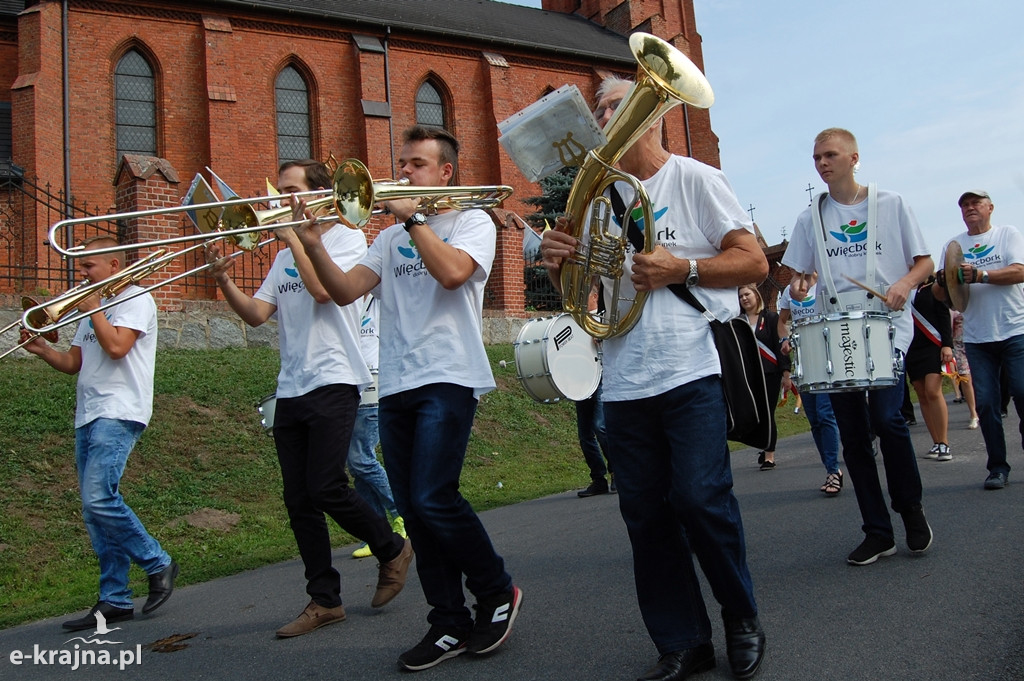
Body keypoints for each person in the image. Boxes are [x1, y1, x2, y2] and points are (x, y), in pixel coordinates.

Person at [542, 75, 767, 681]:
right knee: (644, 516)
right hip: (625, 377)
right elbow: (582, 296)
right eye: (599, 109)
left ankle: (741, 616)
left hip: (692, 367)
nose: (605, 115)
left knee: (700, 500)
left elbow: (753, 260)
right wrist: (559, 261)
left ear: (654, 113)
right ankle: (683, 641)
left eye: (615, 105)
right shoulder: (592, 197)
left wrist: (684, 267)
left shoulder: (695, 178)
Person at [291, 126, 521, 671]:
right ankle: (447, 622)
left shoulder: (472, 222)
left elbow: (452, 274)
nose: (404, 171)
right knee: (415, 512)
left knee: (435, 496)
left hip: (449, 374)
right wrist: (314, 242)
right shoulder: (388, 238)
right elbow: (345, 290)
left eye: (416, 163)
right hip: (395, 383)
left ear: (445, 173)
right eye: (402, 162)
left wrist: (414, 219)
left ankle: (495, 591)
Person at [206, 159, 412, 639]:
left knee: (325, 486)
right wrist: (223, 280)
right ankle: (324, 600)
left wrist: (297, 238)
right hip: (291, 385)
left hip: (336, 378)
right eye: (279, 192)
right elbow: (258, 314)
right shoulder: (282, 255)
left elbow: (324, 293)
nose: (280, 201)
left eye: (290, 191)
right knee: (298, 498)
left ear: (318, 195)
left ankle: (391, 547)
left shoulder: (344, 239)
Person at [783, 127, 934, 567]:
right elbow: (798, 275)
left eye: (830, 155)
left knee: (888, 419)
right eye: (816, 157)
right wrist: (799, 284)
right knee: (852, 434)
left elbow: (923, 261)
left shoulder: (891, 204)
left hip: (886, 326)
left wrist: (906, 283)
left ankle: (911, 509)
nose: (822, 163)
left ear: (854, 158)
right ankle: (877, 531)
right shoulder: (810, 216)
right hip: (837, 331)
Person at [20, 236, 178, 632]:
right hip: (88, 413)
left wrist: (94, 310)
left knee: (98, 497)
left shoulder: (137, 298)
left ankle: (158, 562)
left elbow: (117, 347)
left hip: (120, 409)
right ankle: (115, 599)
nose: (81, 274)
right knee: (94, 511)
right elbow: (74, 362)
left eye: (88, 266)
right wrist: (42, 350)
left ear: (112, 264)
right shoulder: (91, 306)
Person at [933, 190, 1024, 490]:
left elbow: (1020, 271)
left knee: (1022, 394)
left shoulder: (1007, 234)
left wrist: (981, 275)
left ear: (990, 208)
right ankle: (998, 467)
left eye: (976, 203)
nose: (970, 208)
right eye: (964, 205)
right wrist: (940, 283)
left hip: (1015, 330)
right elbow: (945, 297)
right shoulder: (954, 245)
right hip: (978, 337)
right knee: (986, 405)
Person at [349, 294, 406, 559]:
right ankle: (376, 533)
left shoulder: (381, 302)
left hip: (373, 386)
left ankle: (400, 513)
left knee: (362, 459)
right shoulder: (346, 303)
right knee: (357, 467)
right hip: (348, 387)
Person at [777, 277, 844, 496]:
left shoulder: (827, 283)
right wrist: (784, 340)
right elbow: (782, 321)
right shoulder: (789, 290)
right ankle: (830, 468)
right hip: (804, 363)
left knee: (826, 415)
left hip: (827, 360)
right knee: (814, 419)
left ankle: (833, 470)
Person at [738, 283, 788, 471]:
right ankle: (764, 443)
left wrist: (786, 374)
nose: (744, 298)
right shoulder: (737, 321)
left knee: (767, 412)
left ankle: (769, 456)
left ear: (756, 296)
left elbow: (780, 347)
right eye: (741, 296)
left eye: (747, 294)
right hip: (749, 375)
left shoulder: (771, 318)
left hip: (769, 373)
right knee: (755, 413)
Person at [906, 277, 954, 460]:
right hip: (912, 348)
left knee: (933, 391)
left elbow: (944, 316)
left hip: (933, 346)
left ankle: (944, 443)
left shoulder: (934, 288)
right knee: (921, 393)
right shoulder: (905, 288)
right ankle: (936, 442)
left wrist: (947, 345)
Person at [575, 382, 615, 497]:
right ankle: (599, 480)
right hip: (580, 385)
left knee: (600, 427)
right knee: (585, 435)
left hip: (600, 381)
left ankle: (616, 472)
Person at [950, 310, 980, 429]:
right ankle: (973, 414)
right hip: (959, 345)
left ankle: (987, 407)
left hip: (979, 341)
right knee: (965, 378)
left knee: (981, 377)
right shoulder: (951, 303)